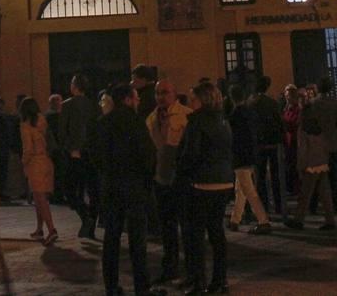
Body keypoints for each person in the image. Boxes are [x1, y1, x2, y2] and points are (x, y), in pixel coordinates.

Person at [88, 83, 157, 296]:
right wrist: (146, 178)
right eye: (135, 98)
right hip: (134, 186)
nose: (138, 102)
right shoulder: (136, 122)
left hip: (110, 186)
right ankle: (141, 287)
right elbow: (148, 155)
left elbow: (94, 155)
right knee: (138, 239)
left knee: (111, 238)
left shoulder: (102, 123)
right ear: (127, 99)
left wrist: (107, 173)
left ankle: (111, 286)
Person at [176, 80, 234, 295]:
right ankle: (220, 280)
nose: (190, 103)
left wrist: (180, 170)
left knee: (196, 234)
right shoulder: (223, 120)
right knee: (217, 232)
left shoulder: (197, 122)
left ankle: (198, 282)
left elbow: (192, 154)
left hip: (203, 182)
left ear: (202, 100)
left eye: (193, 99)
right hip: (224, 180)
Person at [147, 78, 192, 285]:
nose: (160, 97)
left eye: (164, 92)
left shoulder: (186, 116)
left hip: (180, 180)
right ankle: (170, 267)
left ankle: (192, 271)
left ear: (174, 94)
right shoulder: (151, 118)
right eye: (157, 93)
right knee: (167, 227)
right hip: (160, 179)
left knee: (188, 226)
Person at [58, 74, 101, 241]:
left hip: (75, 153)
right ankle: (90, 224)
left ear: (74, 86)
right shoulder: (94, 105)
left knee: (70, 189)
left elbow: (63, 132)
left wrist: (69, 148)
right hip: (92, 153)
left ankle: (85, 217)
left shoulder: (67, 105)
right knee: (92, 190)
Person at [288, 88, 336, 231]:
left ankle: (298, 219)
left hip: (310, 163)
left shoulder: (303, 129)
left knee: (305, 193)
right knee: (325, 192)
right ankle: (330, 219)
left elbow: (303, 150)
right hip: (321, 160)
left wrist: (300, 166)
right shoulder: (318, 127)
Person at [226, 85, 272, 234]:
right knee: (241, 188)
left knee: (247, 189)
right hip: (251, 154)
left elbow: (233, 139)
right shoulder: (250, 112)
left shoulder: (234, 116)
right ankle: (235, 219)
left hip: (240, 157)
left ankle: (263, 220)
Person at [19, 97, 59, 244]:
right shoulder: (42, 120)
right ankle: (39, 229)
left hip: (35, 163)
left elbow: (28, 149)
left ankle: (51, 230)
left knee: (40, 199)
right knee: (39, 197)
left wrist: (23, 163)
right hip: (47, 161)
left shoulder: (25, 126)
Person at [248, 76, 283, 215]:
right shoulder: (272, 103)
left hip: (258, 144)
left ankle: (264, 206)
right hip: (272, 143)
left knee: (260, 177)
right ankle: (279, 205)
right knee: (275, 175)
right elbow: (279, 123)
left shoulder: (251, 103)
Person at [310, 78, 337, 212]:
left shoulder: (313, 104)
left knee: (316, 175)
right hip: (332, 143)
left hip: (317, 143)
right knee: (334, 176)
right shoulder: (334, 103)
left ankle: (313, 204)